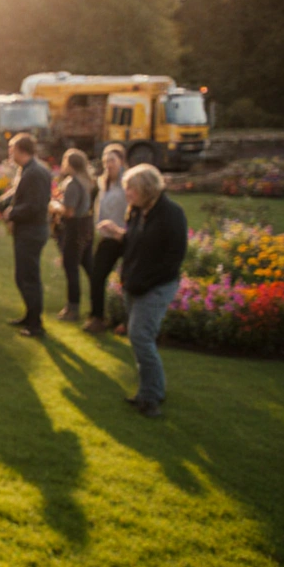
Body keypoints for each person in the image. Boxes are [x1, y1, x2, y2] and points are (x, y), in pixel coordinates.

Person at [97, 164, 187, 418]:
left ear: (147, 188)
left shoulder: (172, 214)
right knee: (139, 339)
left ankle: (152, 397)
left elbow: (174, 259)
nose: (127, 194)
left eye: (131, 189)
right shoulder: (136, 211)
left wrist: (145, 283)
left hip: (157, 286)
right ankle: (149, 390)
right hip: (134, 283)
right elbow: (135, 243)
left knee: (140, 336)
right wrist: (119, 235)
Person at [0, 134, 51, 337]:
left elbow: (35, 205)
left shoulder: (35, 173)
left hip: (32, 231)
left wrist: (12, 213)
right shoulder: (27, 170)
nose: (10, 155)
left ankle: (35, 324)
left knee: (28, 277)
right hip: (26, 231)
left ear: (22, 151)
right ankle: (30, 316)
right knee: (23, 276)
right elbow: (16, 194)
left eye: (12, 150)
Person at [84, 144, 128, 333]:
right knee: (97, 275)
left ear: (121, 161)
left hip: (127, 237)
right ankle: (98, 317)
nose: (108, 164)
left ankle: (127, 322)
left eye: (112, 160)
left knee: (128, 280)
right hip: (108, 238)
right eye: (105, 161)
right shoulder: (103, 183)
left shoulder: (128, 182)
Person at [53, 149, 95, 321]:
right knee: (89, 267)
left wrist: (54, 206)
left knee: (71, 268)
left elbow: (69, 211)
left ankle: (73, 308)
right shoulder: (88, 181)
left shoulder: (72, 183)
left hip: (74, 228)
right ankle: (97, 305)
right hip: (87, 226)